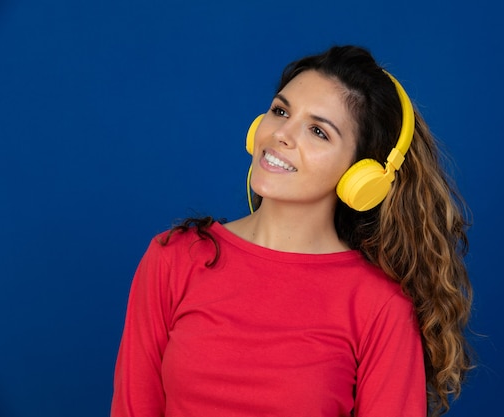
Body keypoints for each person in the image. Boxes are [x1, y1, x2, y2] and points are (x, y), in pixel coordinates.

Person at [111, 45, 473, 417]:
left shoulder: (379, 306)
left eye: (318, 131)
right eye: (281, 111)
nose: (282, 133)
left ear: (362, 175)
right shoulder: (174, 258)